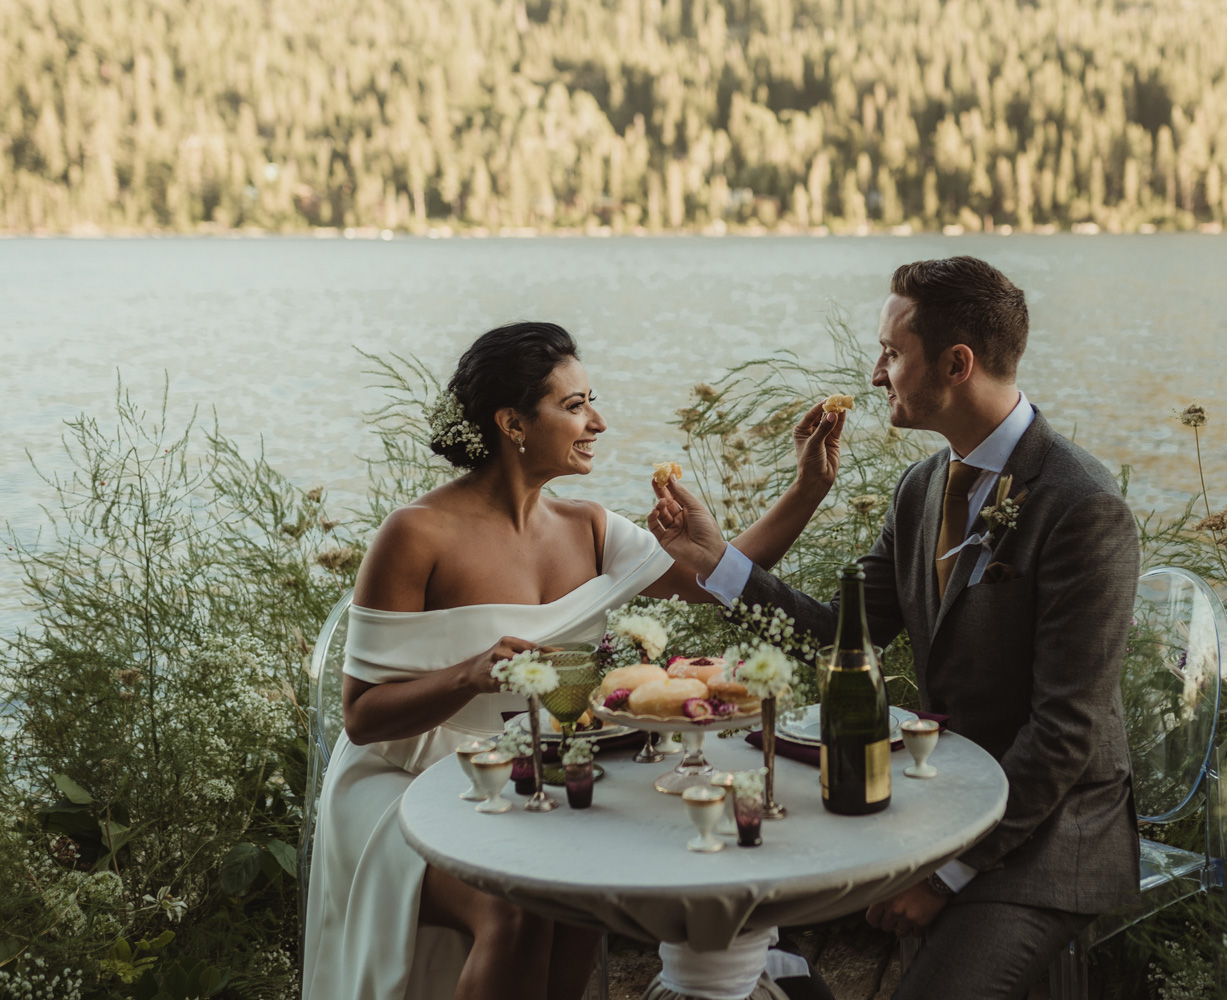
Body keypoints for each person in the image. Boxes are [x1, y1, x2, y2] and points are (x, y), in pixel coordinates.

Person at [301, 321, 844, 1000]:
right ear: (512, 423)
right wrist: (468, 674)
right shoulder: (415, 535)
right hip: (403, 784)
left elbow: (721, 576)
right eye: (575, 405)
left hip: (533, 770)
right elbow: (360, 718)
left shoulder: (587, 526)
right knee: (515, 903)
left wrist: (808, 488)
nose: (598, 422)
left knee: (580, 895)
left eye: (592, 402)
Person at [648, 256, 1141, 1000]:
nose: (877, 374)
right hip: (938, 803)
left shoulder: (1083, 507)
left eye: (891, 353)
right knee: (740, 928)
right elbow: (834, 637)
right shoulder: (921, 490)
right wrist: (717, 562)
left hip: (1049, 835)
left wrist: (944, 875)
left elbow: (1066, 730)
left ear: (956, 363)